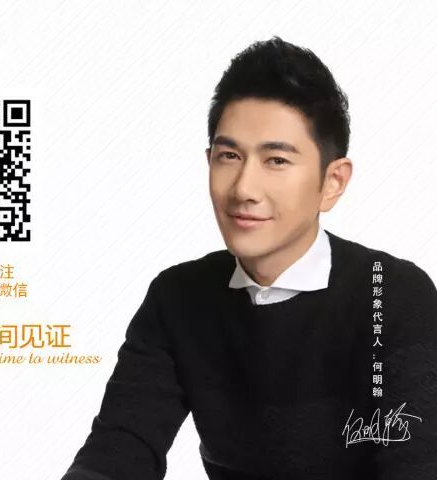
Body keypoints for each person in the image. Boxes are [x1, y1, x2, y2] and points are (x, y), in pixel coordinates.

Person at [60, 36, 437, 480]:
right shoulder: (178, 298)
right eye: (229, 156)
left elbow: (418, 465)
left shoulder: (394, 296)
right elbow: (119, 447)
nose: (243, 188)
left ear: (333, 181)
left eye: (276, 160)